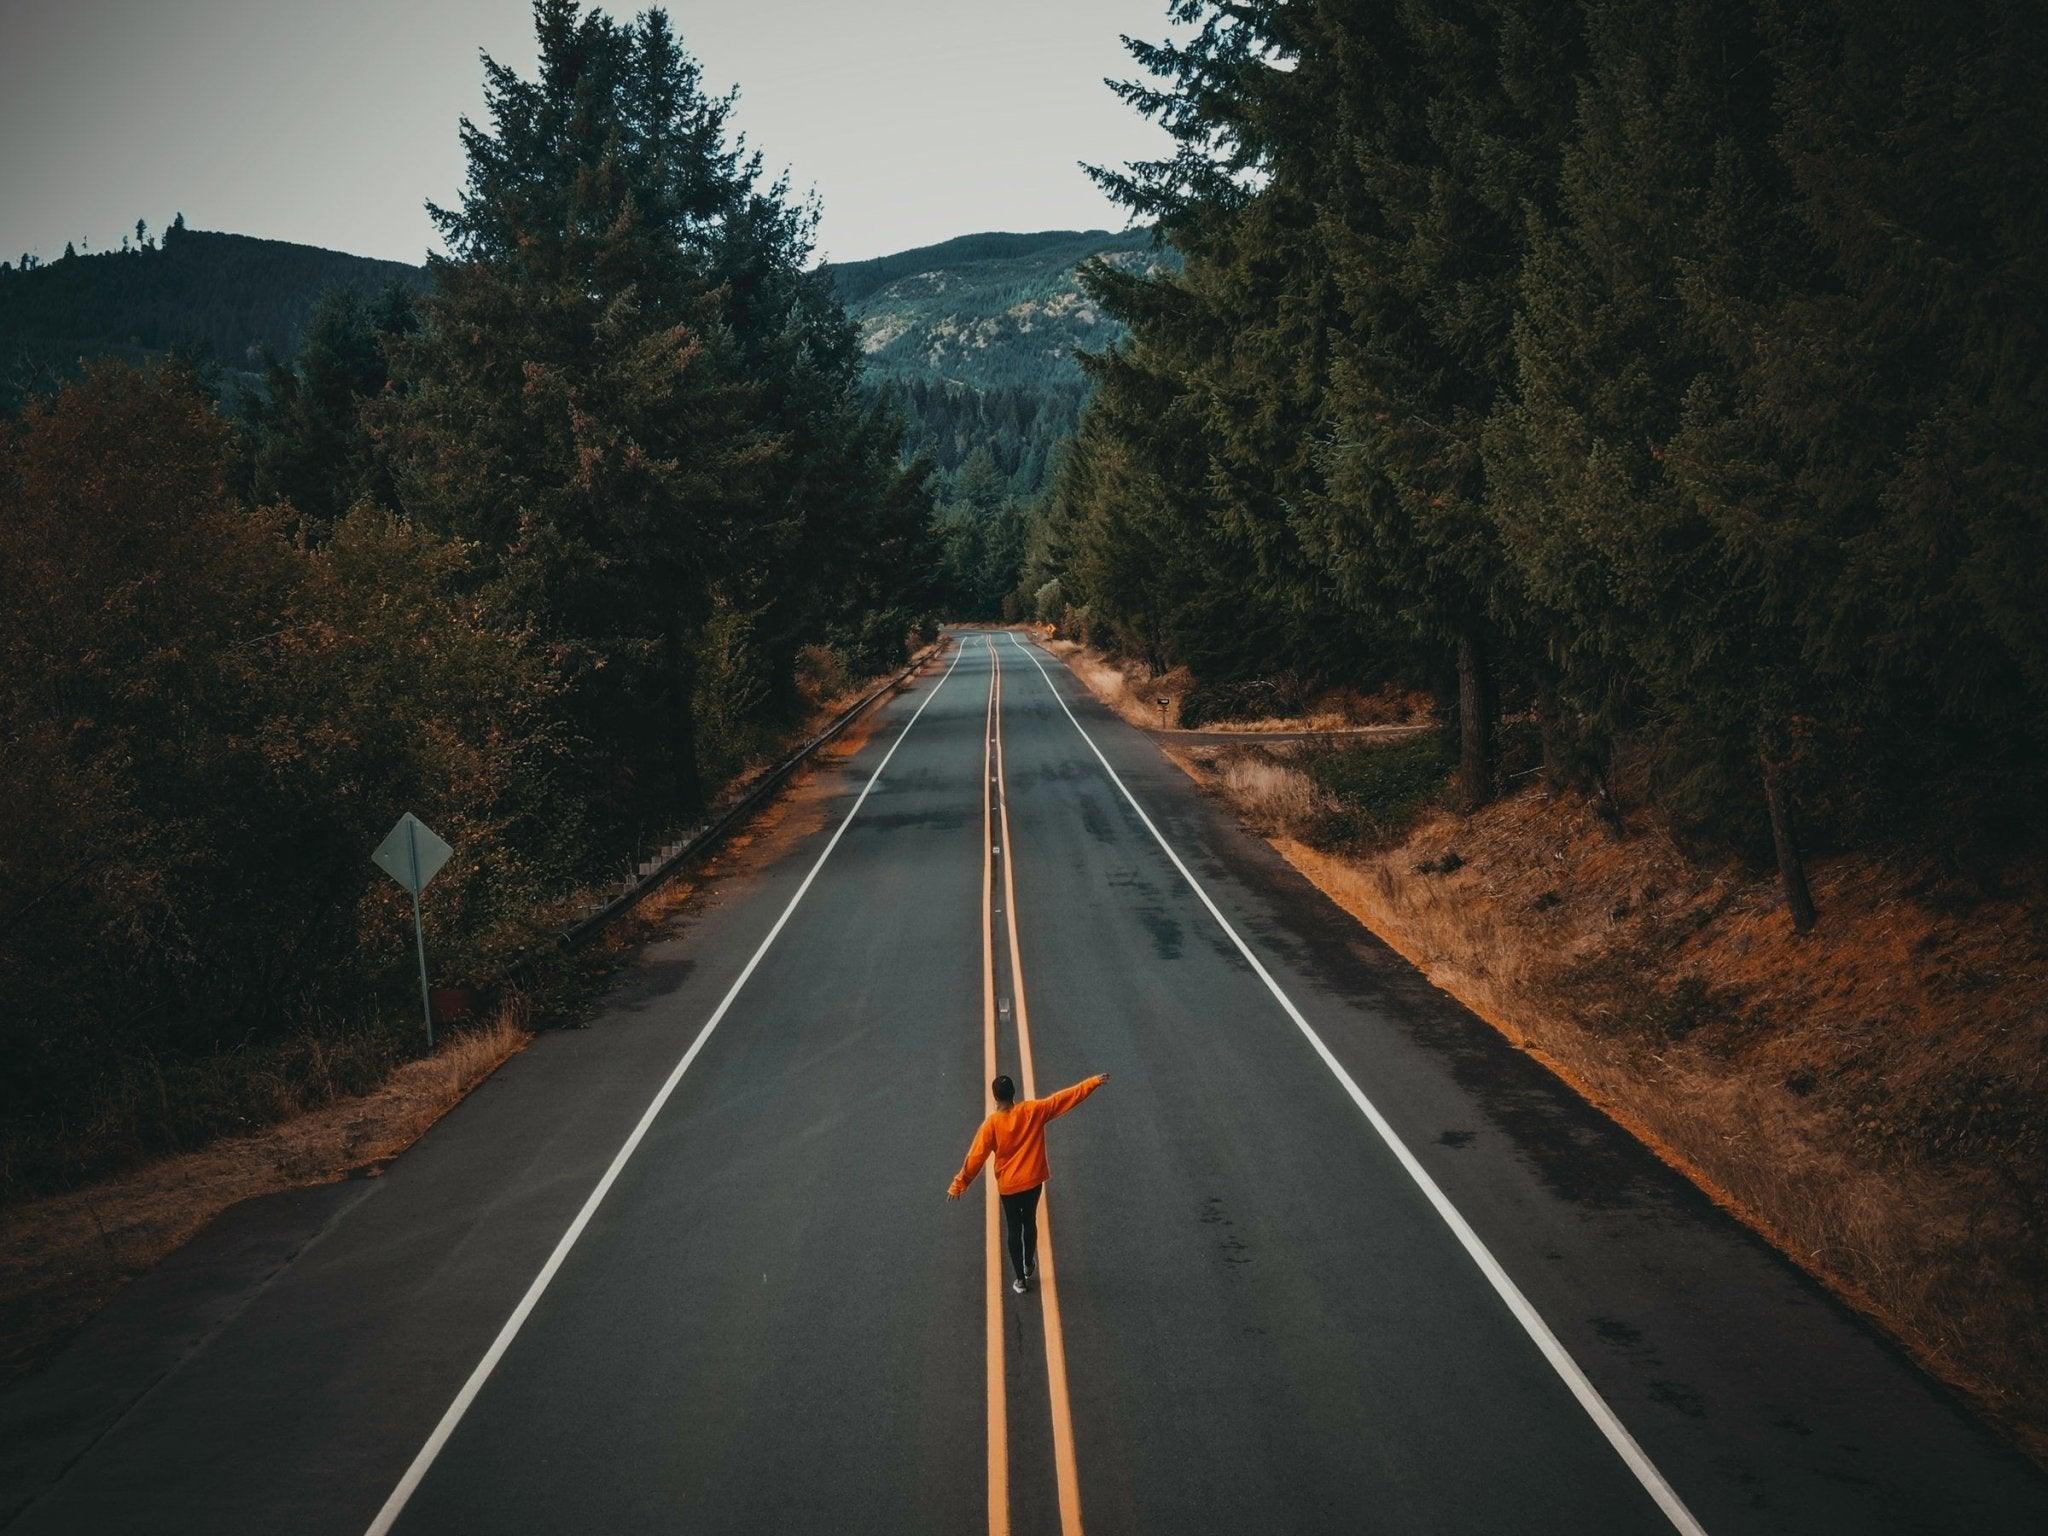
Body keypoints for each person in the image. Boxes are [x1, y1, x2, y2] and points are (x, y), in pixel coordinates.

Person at [948, 1071, 1108, 1293]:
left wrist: (959, 1183)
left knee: (1013, 1229)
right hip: (1033, 1181)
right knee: (1029, 1221)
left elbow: (975, 1158)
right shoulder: (1033, 1110)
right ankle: (1029, 1262)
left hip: (1009, 1188)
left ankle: (1020, 1279)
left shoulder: (992, 1125)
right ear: (1014, 1093)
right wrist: (1092, 1083)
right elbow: (1064, 1099)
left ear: (995, 1097)